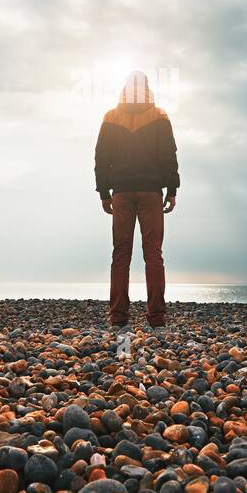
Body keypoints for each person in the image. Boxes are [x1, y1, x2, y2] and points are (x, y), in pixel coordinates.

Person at [94, 70, 179, 337]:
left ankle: (118, 318)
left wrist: (104, 192)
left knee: (121, 253)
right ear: (146, 88)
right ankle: (157, 319)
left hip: (121, 191)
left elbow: (101, 157)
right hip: (150, 192)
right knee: (153, 253)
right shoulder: (160, 115)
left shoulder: (111, 116)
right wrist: (172, 188)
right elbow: (168, 155)